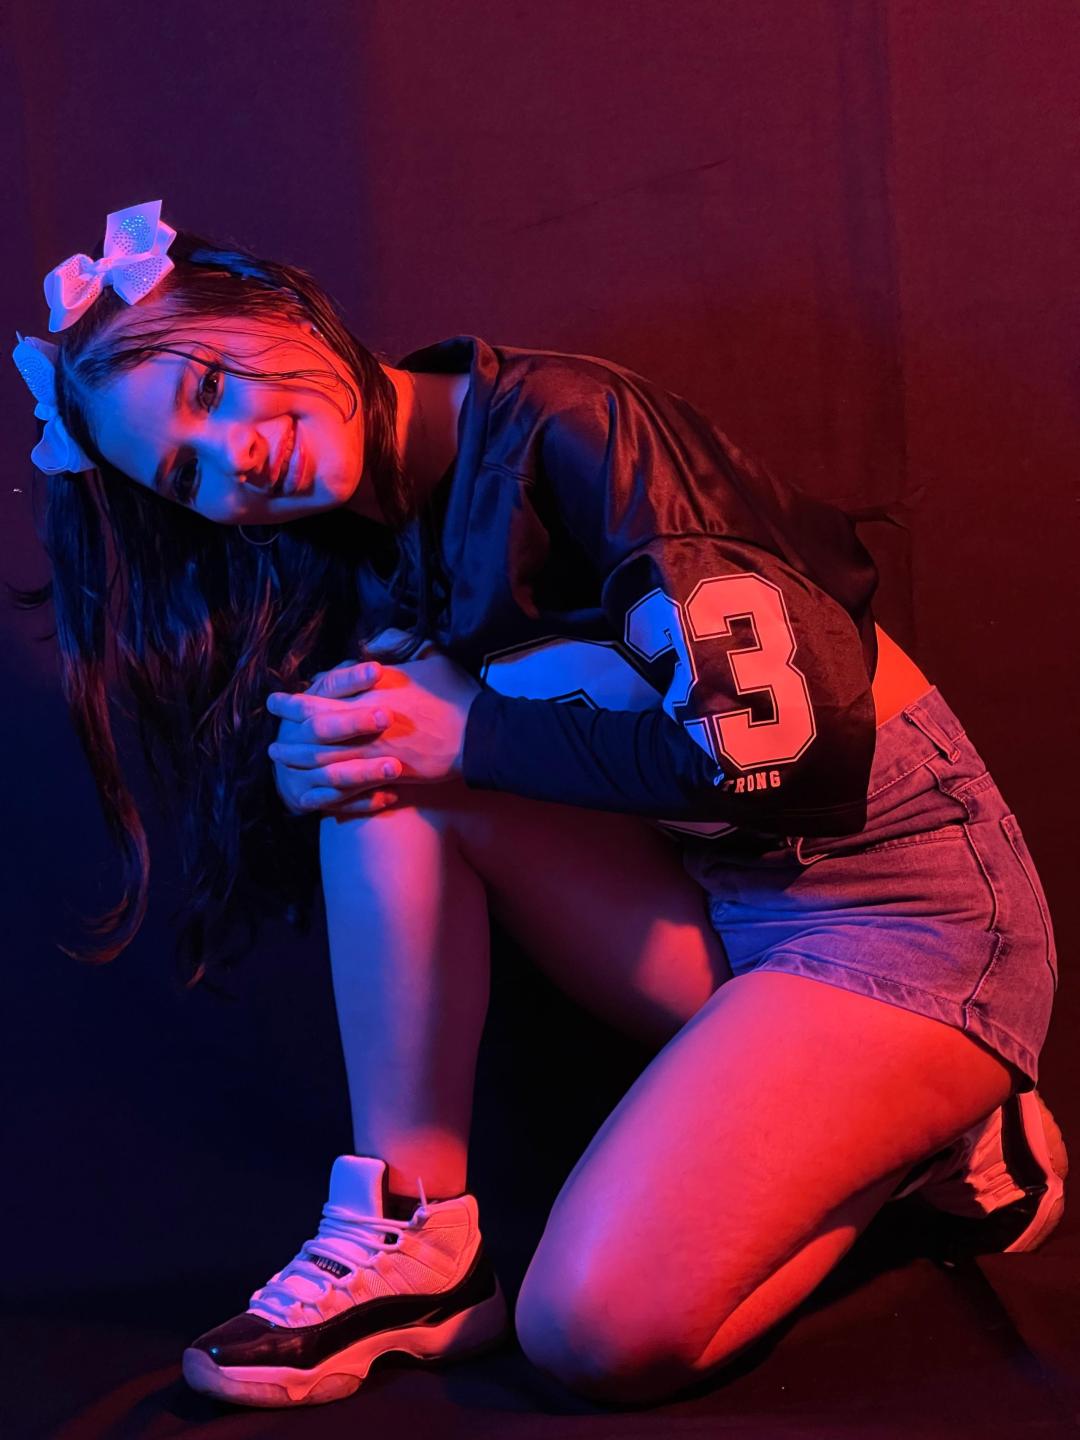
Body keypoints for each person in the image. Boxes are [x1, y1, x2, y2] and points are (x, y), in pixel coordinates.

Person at [13, 200, 1066, 1410]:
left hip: (906, 914)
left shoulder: (574, 428)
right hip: (732, 909)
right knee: (378, 755)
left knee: (589, 1332)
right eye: (186, 474)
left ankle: (933, 1139)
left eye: (209, 389)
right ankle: (414, 1240)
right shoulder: (365, 528)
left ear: (281, 306)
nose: (234, 460)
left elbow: (802, 761)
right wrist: (333, 756)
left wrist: (470, 734)